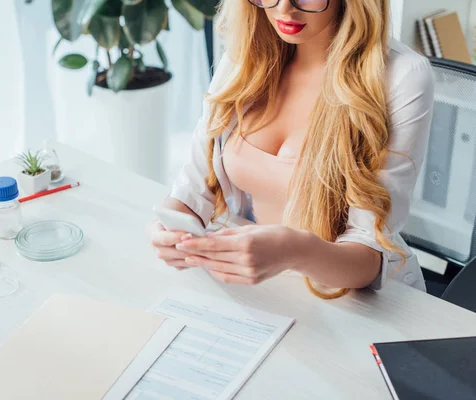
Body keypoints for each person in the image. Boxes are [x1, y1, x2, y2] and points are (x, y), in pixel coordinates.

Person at [151, 0, 435, 298]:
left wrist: (292, 251)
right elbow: (193, 190)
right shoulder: (249, 50)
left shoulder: (401, 75)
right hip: (267, 290)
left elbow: (368, 256)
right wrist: (168, 230)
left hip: (360, 302)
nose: (284, 8)